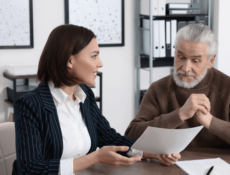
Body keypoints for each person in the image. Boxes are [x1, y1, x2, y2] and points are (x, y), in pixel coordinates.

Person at [13, 24, 180, 175]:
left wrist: (152, 152)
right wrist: (94, 158)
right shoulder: (30, 105)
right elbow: (31, 168)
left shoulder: (85, 96)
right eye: (94, 56)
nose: (100, 63)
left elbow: (110, 138)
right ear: (70, 61)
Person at [125, 24, 230, 157]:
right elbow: (130, 136)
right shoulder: (158, 89)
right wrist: (180, 114)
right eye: (180, 57)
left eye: (195, 61)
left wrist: (211, 122)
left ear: (211, 60)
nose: (185, 67)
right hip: (169, 168)